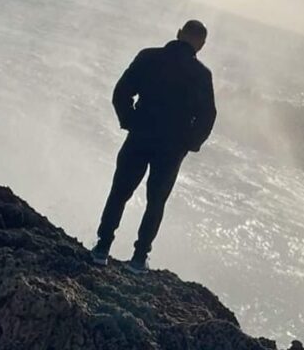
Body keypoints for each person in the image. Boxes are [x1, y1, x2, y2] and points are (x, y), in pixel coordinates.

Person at [91, 19, 216, 274]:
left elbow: (121, 92)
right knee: (156, 202)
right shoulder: (202, 75)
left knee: (119, 193)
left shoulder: (149, 57)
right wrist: (189, 143)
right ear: (201, 45)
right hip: (172, 147)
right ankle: (139, 258)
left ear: (179, 33)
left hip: (140, 135)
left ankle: (102, 247)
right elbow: (207, 117)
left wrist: (129, 120)